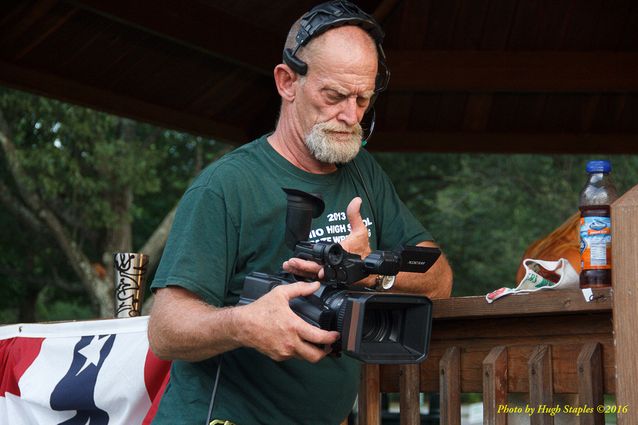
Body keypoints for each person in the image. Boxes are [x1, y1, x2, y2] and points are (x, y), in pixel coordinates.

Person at [148, 2, 453, 424]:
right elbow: (164, 329)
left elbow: (439, 279)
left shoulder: (363, 171)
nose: (351, 116)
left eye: (363, 98)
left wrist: (370, 270)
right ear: (287, 82)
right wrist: (243, 324)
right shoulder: (226, 186)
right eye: (333, 96)